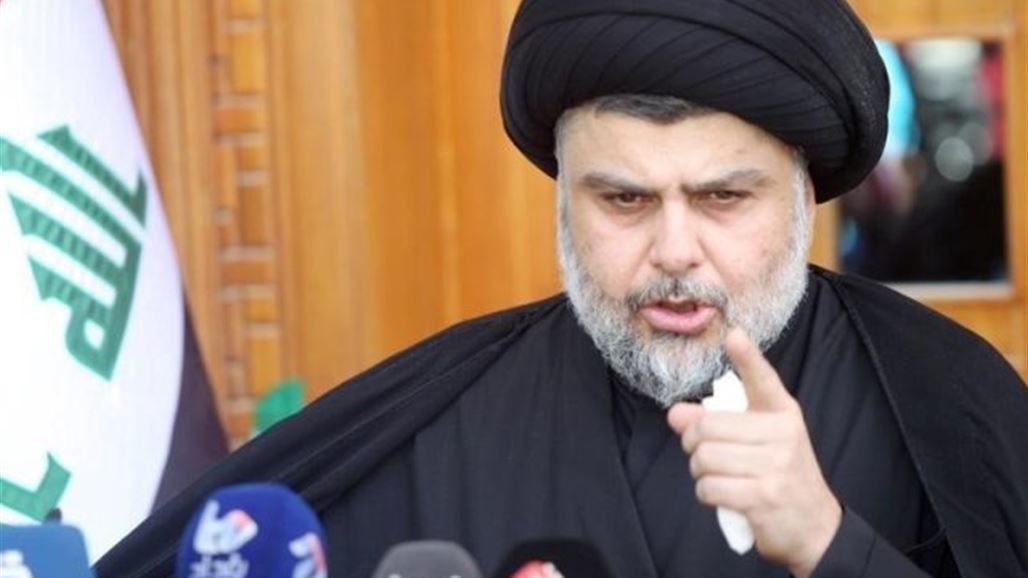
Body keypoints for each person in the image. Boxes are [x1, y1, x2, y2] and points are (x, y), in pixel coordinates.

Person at [97, 1, 1028, 577]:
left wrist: (830, 543)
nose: (674, 251)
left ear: (798, 197)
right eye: (624, 199)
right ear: (564, 200)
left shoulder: (945, 400)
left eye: (721, 198)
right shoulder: (433, 422)